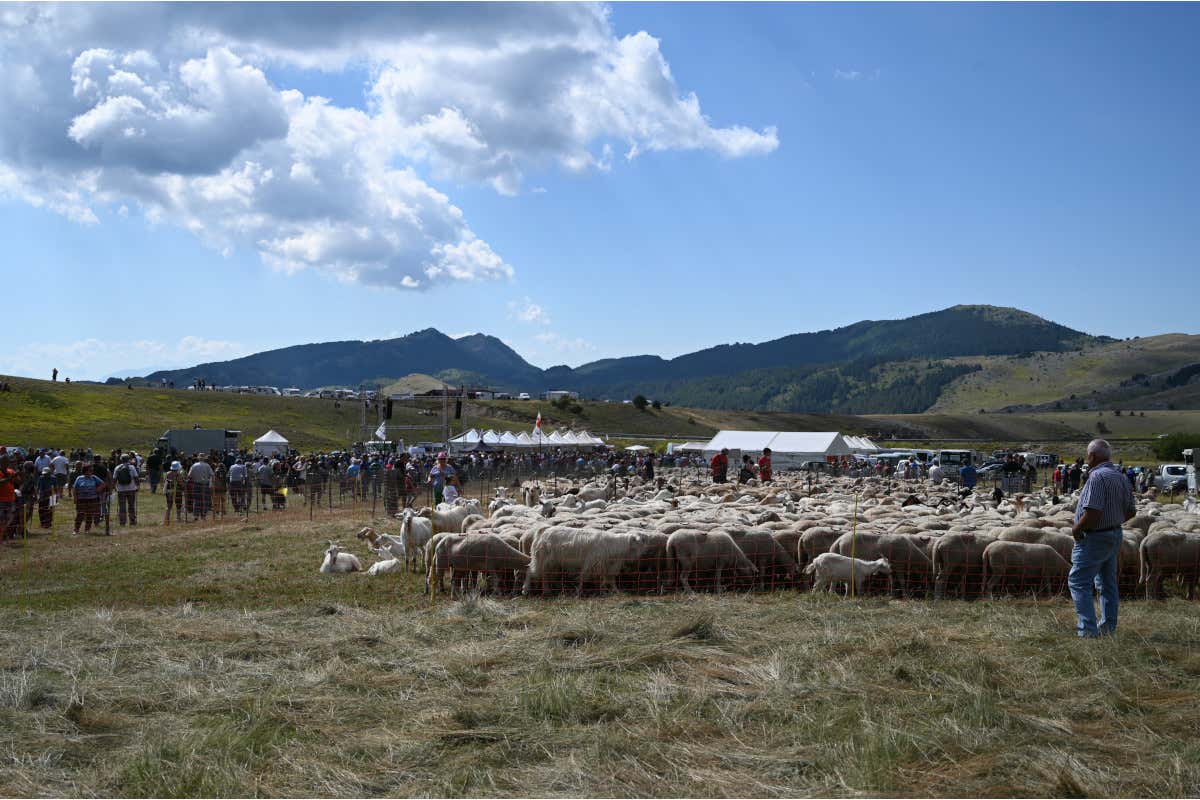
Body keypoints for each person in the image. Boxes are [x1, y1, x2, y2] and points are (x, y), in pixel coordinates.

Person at [1068, 439, 1135, 638]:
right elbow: (1131, 511)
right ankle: (1107, 628)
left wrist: (1076, 529)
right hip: (1114, 534)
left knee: (1079, 581)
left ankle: (1088, 631)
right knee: (1107, 583)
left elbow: (1093, 512)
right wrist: (1113, 521)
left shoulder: (1097, 477)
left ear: (1092, 456)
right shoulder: (1120, 477)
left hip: (1094, 537)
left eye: (1088, 455)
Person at [72, 463, 106, 535]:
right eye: (90, 470)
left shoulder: (94, 477)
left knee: (89, 515)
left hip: (92, 499)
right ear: (85, 471)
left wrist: (98, 489)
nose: (91, 471)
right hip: (81, 499)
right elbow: (74, 488)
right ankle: (76, 529)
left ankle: (87, 529)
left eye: (91, 470)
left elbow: (103, 484)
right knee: (80, 515)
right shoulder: (79, 478)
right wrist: (75, 498)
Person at [112, 454, 139, 526]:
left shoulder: (117, 468)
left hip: (121, 490)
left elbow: (114, 479)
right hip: (131, 489)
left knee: (122, 506)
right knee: (131, 505)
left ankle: (122, 522)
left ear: (121, 460)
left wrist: (114, 487)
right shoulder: (132, 467)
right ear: (128, 459)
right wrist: (137, 486)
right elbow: (136, 477)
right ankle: (132, 521)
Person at [0, 452, 18, 539]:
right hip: (1, 500)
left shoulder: (11, 471)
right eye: (5, 462)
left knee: (10, 518)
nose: (7, 463)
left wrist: (17, 475)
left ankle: (5, 534)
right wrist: (9, 478)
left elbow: (18, 481)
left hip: (11, 499)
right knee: (2, 519)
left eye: (8, 462)